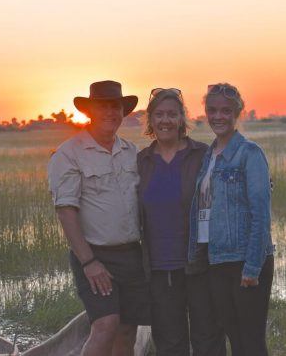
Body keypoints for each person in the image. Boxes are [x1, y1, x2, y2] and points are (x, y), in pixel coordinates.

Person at [48, 80, 150, 356]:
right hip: (94, 255)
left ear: (122, 111)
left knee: (128, 329)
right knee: (106, 325)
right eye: (102, 106)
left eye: (115, 106)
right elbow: (66, 210)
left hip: (131, 253)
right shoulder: (69, 154)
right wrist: (89, 262)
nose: (110, 113)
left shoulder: (131, 152)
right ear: (89, 112)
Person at [137, 88, 225, 356]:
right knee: (169, 343)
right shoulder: (141, 161)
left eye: (172, 114)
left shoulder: (202, 155)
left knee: (208, 339)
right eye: (159, 115)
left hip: (200, 265)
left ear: (182, 119)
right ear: (150, 120)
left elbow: (227, 191)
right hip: (159, 270)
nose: (166, 120)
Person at [188, 83, 275, 356]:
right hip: (217, 259)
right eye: (212, 110)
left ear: (237, 112)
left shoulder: (249, 153)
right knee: (234, 336)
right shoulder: (207, 156)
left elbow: (260, 214)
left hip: (244, 259)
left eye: (226, 111)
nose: (218, 116)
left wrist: (252, 267)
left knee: (250, 342)